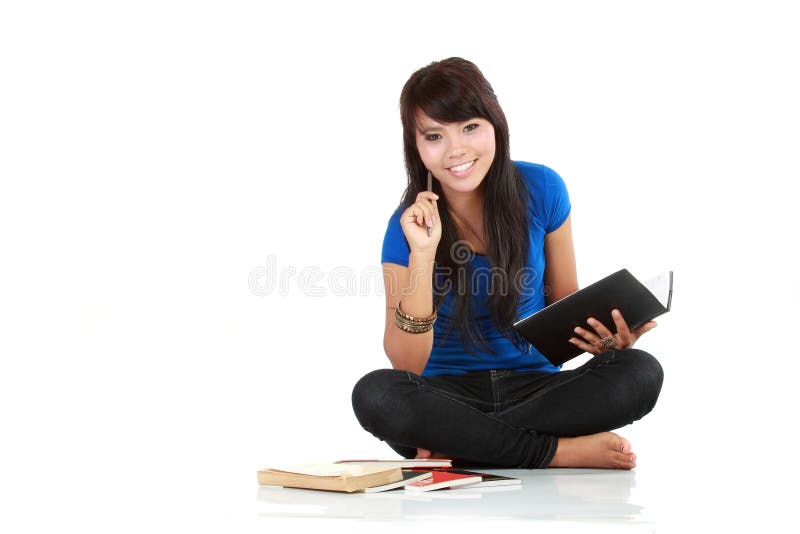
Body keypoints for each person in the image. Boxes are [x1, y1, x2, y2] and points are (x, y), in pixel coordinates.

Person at [351, 57, 664, 469]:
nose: (456, 150)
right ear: (416, 147)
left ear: (495, 124)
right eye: (434, 135)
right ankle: (553, 452)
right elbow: (406, 365)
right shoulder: (404, 229)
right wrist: (424, 253)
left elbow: (564, 312)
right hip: (446, 397)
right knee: (375, 394)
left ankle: (463, 449)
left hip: (537, 390)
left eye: (470, 127)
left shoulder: (543, 188)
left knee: (640, 372)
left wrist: (604, 342)